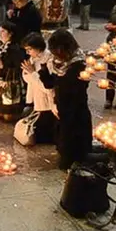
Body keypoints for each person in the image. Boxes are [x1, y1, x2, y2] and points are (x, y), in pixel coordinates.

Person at [38, 29, 92, 170]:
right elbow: (50, 83)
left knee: (73, 142)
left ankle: (76, 162)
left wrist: (61, 107)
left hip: (75, 109)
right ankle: (67, 159)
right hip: (62, 107)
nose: (55, 54)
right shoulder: (59, 63)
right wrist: (43, 69)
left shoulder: (78, 65)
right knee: (63, 141)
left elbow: (74, 90)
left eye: (57, 50)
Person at [20, 33, 58, 144]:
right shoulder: (33, 59)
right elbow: (28, 79)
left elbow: (47, 86)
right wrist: (29, 73)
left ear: (38, 47)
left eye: (29, 49)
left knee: (45, 135)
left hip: (48, 102)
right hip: (36, 100)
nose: (28, 53)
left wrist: (32, 73)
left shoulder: (49, 60)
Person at [0, 22, 26, 122]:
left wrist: (3, 66)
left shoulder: (16, 49)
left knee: (8, 116)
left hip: (11, 82)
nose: (0, 34)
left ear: (10, 34)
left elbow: (19, 66)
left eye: (3, 31)